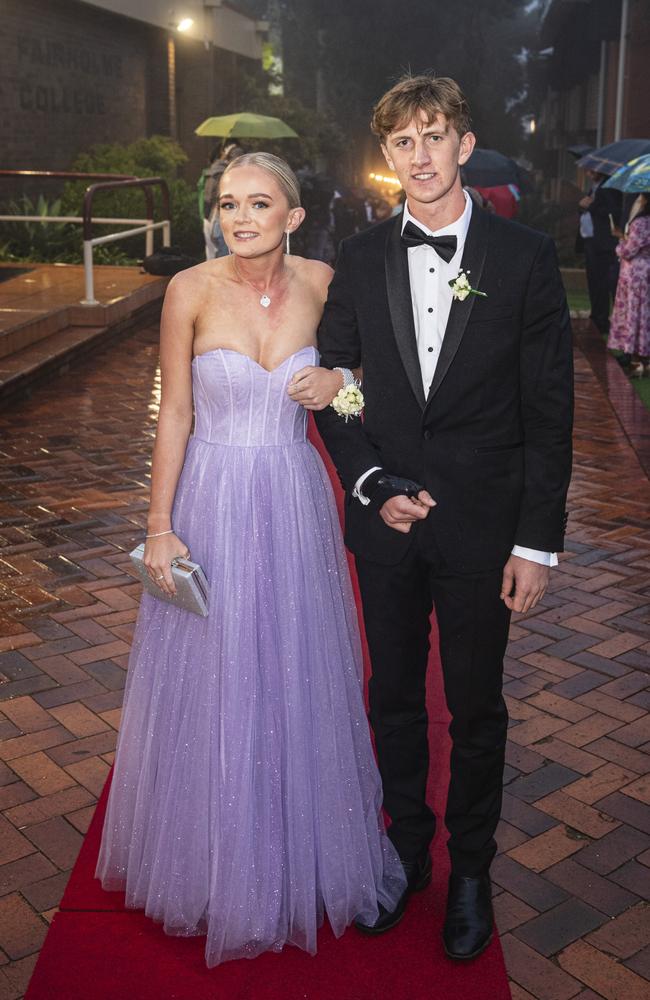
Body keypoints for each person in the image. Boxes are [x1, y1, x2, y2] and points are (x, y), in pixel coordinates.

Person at [96, 152, 406, 967]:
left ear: (293, 216)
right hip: (212, 496)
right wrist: (160, 525)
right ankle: (212, 864)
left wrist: (338, 380)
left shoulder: (324, 283)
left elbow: (367, 389)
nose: (238, 218)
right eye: (228, 203)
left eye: (258, 203)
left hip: (295, 495)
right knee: (216, 675)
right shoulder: (188, 291)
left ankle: (295, 855)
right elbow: (175, 416)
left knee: (294, 670)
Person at [314, 74, 573, 961]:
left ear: (464, 144)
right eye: (401, 143)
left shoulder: (528, 257)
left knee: (474, 707)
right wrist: (372, 482)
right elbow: (337, 391)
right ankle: (404, 856)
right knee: (390, 697)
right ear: (386, 158)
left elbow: (548, 411)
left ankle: (470, 872)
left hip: (482, 527)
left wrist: (536, 543)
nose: (418, 157)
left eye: (433, 137)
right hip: (386, 528)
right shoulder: (359, 256)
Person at [608, 192, 650, 376]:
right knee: (644, 315)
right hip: (645, 272)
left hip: (635, 274)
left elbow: (628, 250)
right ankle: (644, 359)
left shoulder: (640, 223)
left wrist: (619, 238)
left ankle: (634, 360)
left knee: (634, 314)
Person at [579, 169, 623, 335]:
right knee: (594, 281)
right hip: (591, 241)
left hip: (604, 244)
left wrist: (591, 206)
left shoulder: (608, 187)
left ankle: (602, 320)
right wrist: (583, 206)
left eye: (592, 170)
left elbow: (613, 211)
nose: (589, 174)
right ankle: (596, 316)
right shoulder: (594, 187)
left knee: (603, 282)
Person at [199, 142, 244, 259]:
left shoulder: (211, 171)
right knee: (224, 258)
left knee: (212, 256)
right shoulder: (226, 174)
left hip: (208, 217)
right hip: (220, 218)